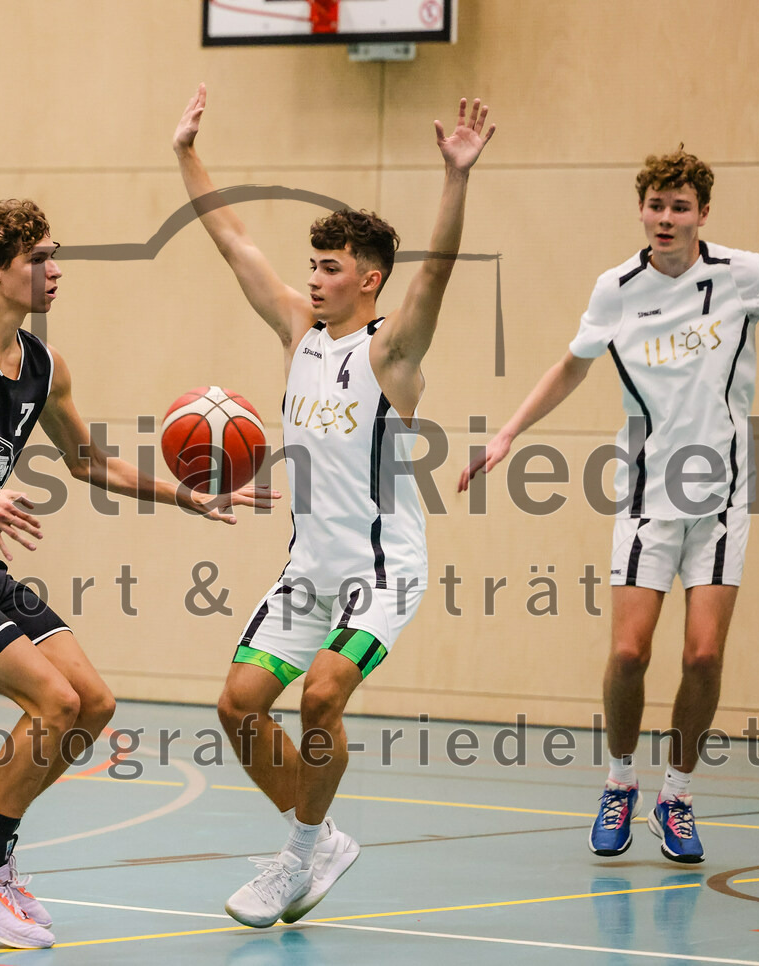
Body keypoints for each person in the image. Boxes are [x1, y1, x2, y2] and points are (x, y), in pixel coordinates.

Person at [0, 199, 277, 949]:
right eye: (38, 257)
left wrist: (192, 495)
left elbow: (91, 463)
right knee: (53, 700)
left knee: (92, 703)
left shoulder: (45, 367)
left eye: (55, 254)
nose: (54, 270)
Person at [173, 85, 494, 927]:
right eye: (311, 265)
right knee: (239, 705)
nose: (312, 278)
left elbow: (442, 271)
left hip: (382, 571)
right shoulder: (297, 333)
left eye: (329, 266)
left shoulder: (392, 352)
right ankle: (316, 839)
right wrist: (186, 155)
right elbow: (233, 238)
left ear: (369, 278)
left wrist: (456, 179)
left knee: (321, 697)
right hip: (309, 569)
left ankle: (297, 855)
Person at [459, 147, 759, 864]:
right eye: (656, 206)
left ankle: (678, 795)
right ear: (641, 210)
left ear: (703, 214)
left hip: (724, 494)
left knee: (705, 654)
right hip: (646, 491)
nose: (666, 218)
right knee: (629, 653)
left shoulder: (744, 275)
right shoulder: (617, 288)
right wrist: (507, 433)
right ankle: (620, 781)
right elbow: (571, 364)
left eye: (680, 207)